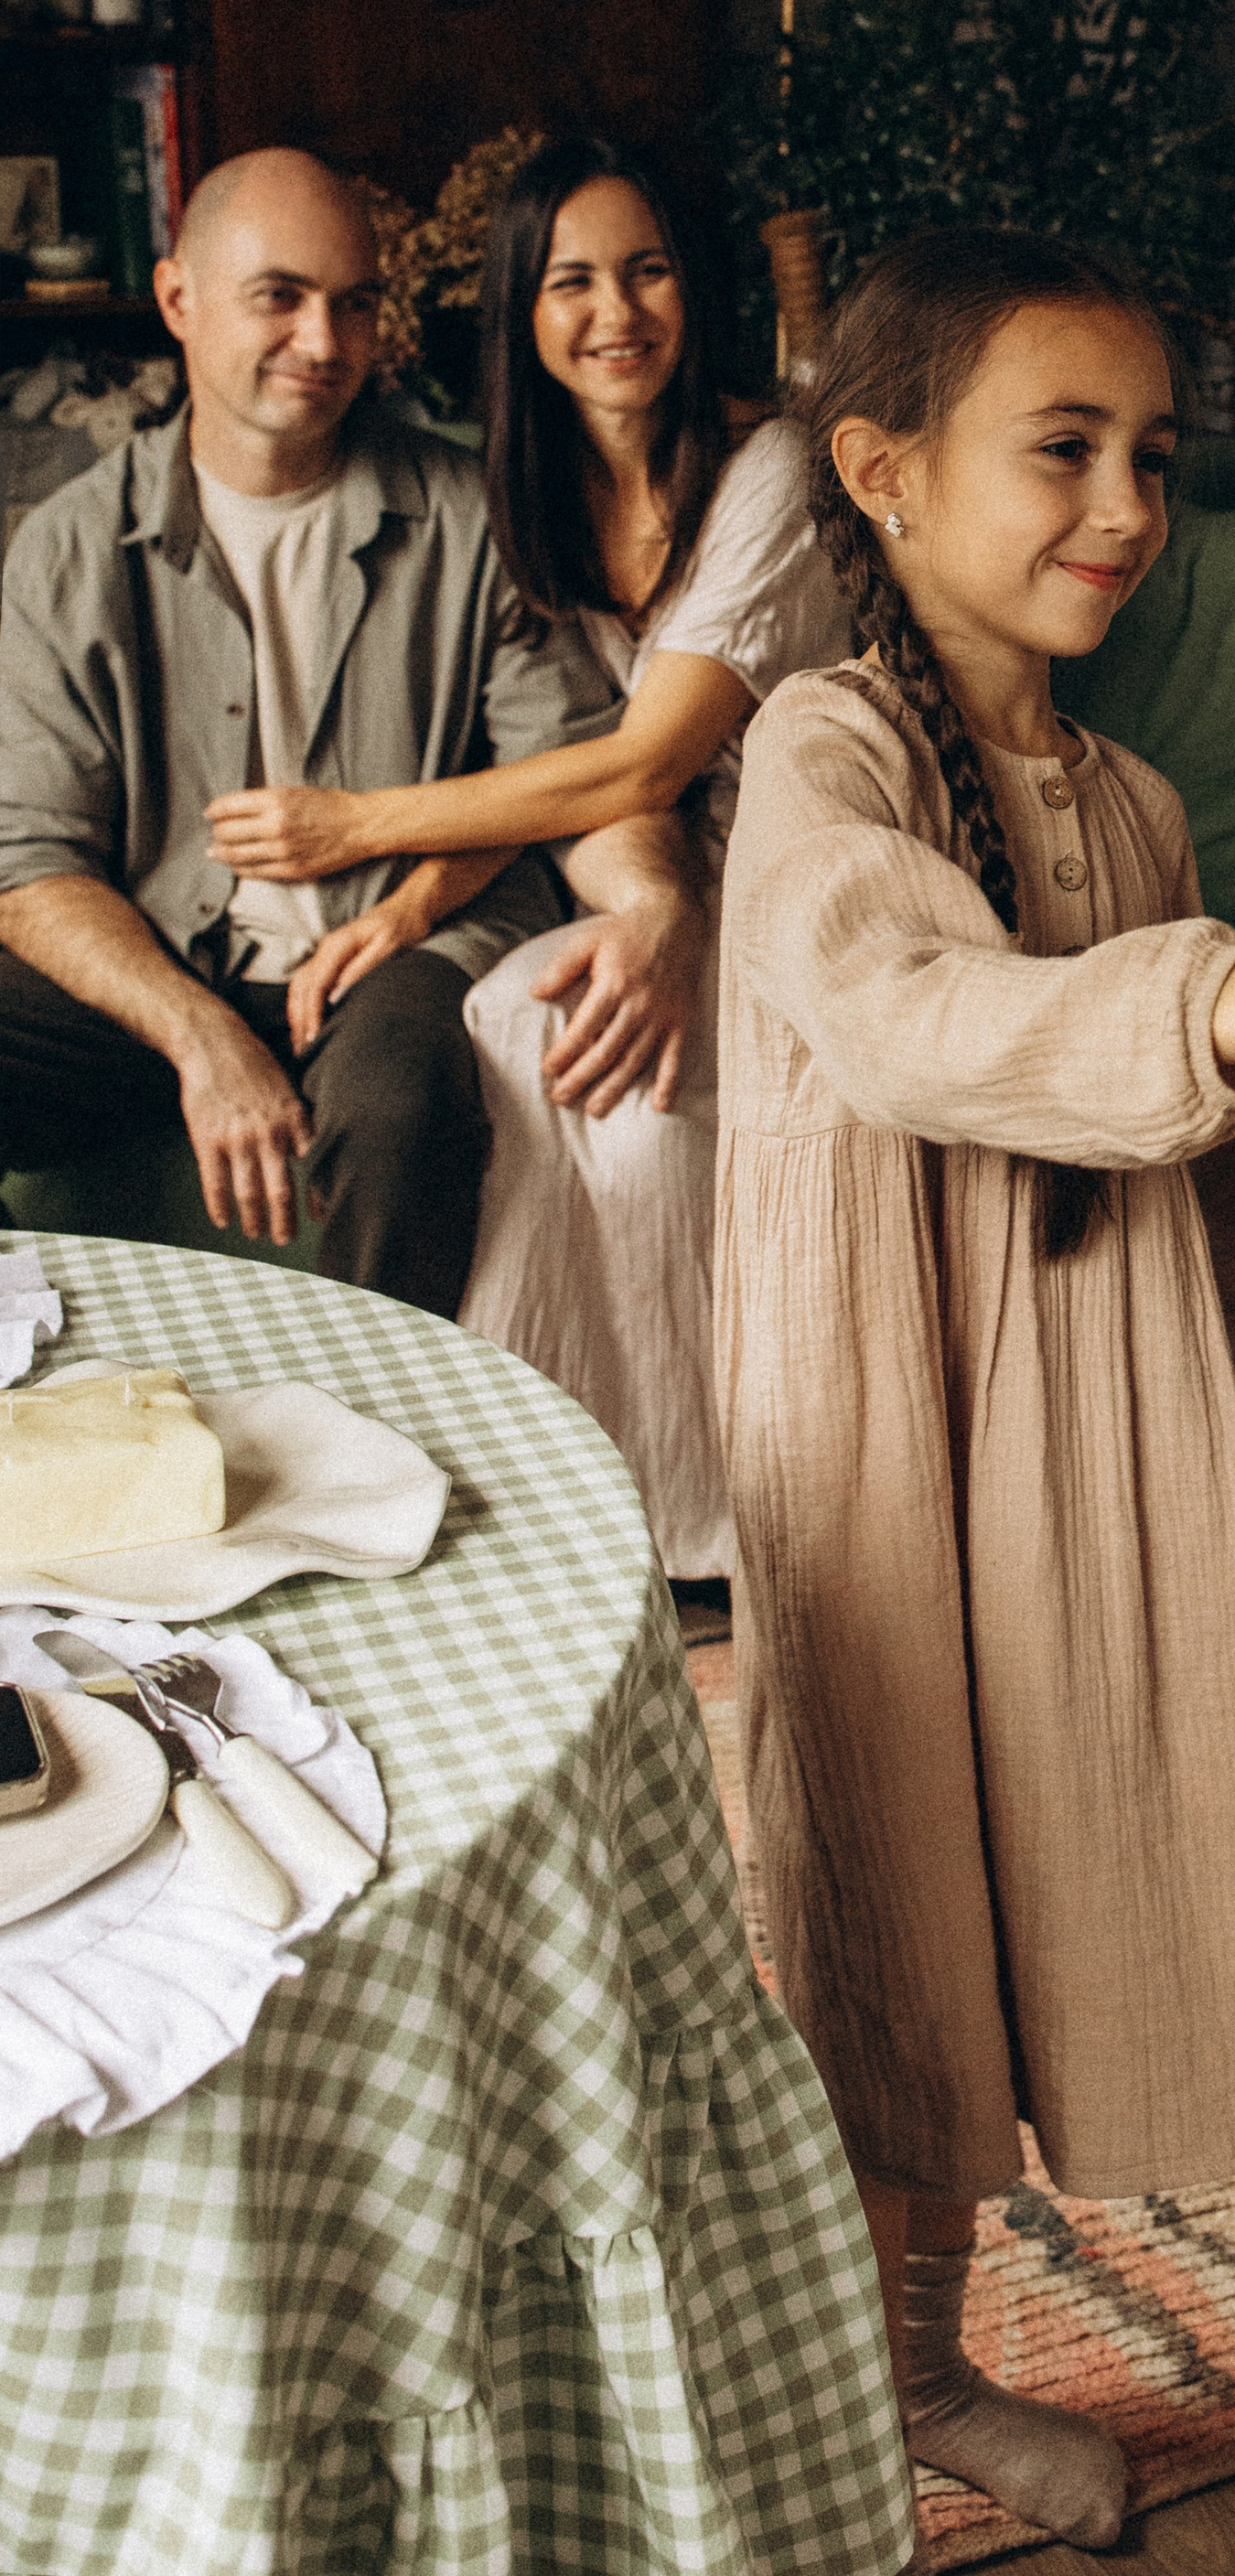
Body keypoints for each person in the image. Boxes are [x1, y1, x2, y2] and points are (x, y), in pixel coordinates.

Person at [714, 230, 1235, 2551]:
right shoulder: (820, 748)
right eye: (1059, 448)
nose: (1121, 505)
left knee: (1042, 1892)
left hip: (1081, 1446)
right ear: (879, 471)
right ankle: (866, 2367)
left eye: (1149, 458)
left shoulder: (1133, 803)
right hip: (887, 1446)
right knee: (888, 1912)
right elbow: (904, 1005)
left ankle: (916, 2346)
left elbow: (1206, 1226)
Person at [202, 134, 845, 1576]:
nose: (615, 314)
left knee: (618, 1087)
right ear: (522, 315)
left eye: (649, 271)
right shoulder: (532, 493)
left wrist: (356, 826)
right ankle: (555, 1493)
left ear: (697, 287)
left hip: (811, 869)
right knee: (508, 1017)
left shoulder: (774, 470)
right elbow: (538, 767)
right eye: (572, 282)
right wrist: (417, 904)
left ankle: (719, 1527)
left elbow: (644, 759)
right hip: (650, 862)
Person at [0, 146, 698, 1318]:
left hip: (401, 955)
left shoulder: (471, 514)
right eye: (279, 297)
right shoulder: (68, 548)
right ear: (178, 300)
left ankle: (389, 1452)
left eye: (356, 303)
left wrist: (653, 903)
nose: (325, 344)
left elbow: (573, 780)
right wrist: (202, 1037)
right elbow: (30, 866)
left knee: (400, 1102)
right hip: (171, 966)